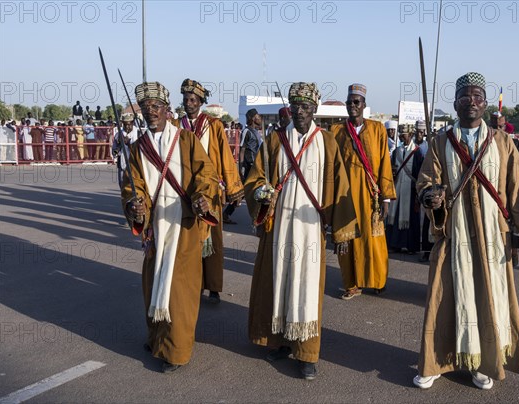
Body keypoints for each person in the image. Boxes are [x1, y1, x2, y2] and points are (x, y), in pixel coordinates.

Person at [413, 72, 519, 390]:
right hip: (454, 236)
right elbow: (426, 180)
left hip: (493, 239)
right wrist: (431, 195)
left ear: (485, 104)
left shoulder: (503, 143)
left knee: (489, 300)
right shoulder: (439, 142)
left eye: (477, 97)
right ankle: (435, 362)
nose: (471, 102)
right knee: (444, 299)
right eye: (465, 97)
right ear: (456, 103)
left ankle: (484, 363)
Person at [244, 82, 358, 380]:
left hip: (310, 229)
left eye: (305, 107)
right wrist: (259, 193)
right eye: (295, 106)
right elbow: (255, 177)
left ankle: (306, 352)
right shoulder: (274, 140)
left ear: (314, 110)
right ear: (289, 108)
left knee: (306, 287)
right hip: (278, 225)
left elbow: (341, 185)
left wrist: (342, 232)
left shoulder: (327, 142)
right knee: (278, 282)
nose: (299, 112)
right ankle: (279, 340)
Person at [121, 81, 219, 373]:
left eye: (156, 106)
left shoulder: (186, 140)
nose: (150, 112)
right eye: (146, 107)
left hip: (184, 225)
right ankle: (157, 340)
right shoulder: (139, 148)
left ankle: (176, 351)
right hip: (155, 228)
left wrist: (202, 196)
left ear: (167, 110)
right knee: (153, 286)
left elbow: (207, 174)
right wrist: (135, 205)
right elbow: (133, 185)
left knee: (179, 291)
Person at [178, 78, 244, 304]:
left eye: (193, 99)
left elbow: (226, 155)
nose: (189, 103)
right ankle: (193, 283)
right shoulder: (178, 127)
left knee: (213, 239)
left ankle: (214, 285)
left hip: (211, 191)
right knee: (189, 239)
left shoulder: (213, 125)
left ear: (200, 102)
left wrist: (234, 187)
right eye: (186, 99)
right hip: (185, 190)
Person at [331, 84, 396, 299]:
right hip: (345, 196)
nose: (352, 106)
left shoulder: (377, 129)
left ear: (364, 105)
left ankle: (377, 281)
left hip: (371, 196)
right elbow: (330, 165)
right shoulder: (337, 131)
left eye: (356, 102)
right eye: (349, 102)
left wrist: (385, 197)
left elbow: (385, 163)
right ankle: (351, 284)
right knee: (346, 239)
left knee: (374, 240)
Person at [386, 127, 424, 254]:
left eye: (405, 135)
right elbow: (390, 168)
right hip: (397, 188)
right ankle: (395, 244)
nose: (402, 137)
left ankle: (411, 246)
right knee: (395, 216)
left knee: (411, 218)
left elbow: (421, 172)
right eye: (401, 135)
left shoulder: (417, 152)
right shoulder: (397, 151)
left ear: (411, 134)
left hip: (411, 190)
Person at [414, 120, 433, 261]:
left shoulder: (430, 147)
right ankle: (426, 251)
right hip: (428, 189)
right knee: (426, 222)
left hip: (440, 191)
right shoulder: (423, 150)